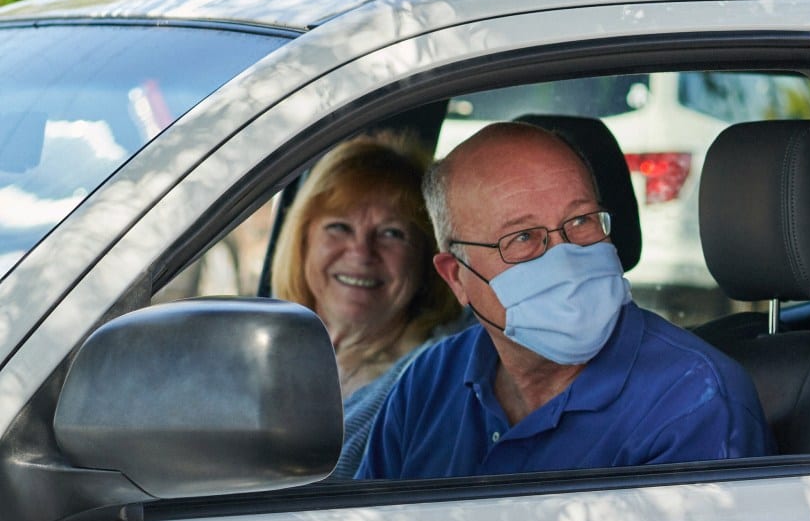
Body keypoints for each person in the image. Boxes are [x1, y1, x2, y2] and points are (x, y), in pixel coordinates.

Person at [355, 120, 767, 479]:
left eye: (581, 220)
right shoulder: (429, 381)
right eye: (521, 237)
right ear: (456, 276)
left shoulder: (693, 400)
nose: (565, 256)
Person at [273, 133, 461, 477]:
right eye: (339, 227)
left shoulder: (433, 384)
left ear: (426, 258)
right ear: (302, 241)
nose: (361, 253)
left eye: (391, 233)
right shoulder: (263, 350)